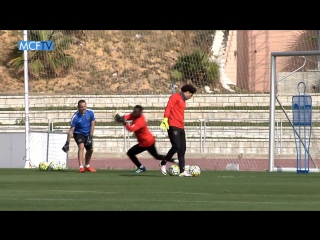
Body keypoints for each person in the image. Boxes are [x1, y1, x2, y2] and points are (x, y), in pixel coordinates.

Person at [116, 105, 178, 173]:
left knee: (131, 153)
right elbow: (128, 116)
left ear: (140, 113)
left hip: (147, 142)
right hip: (145, 142)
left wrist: (124, 122)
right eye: (134, 111)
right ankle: (174, 160)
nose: (134, 113)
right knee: (156, 156)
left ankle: (141, 167)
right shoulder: (134, 115)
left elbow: (131, 129)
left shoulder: (140, 121)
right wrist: (121, 118)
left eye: (136, 112)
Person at [159, 84, 197, 177]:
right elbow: (168, 107)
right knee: (176, 146)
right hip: (173, 125)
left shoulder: (183, 101)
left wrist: (183, 130)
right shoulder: (175, 96)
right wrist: (165, 119)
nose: (191, 97)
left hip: (181, 127)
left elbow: (180, 115)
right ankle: (163, 163)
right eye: (191, 95)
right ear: (187, 92)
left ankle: (182, 171)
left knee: (182, 149)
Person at [62, 99, 96, 173]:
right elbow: (71, 130)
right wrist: (67, 142)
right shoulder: (75, 117)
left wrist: (90, 136)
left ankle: (87, 165)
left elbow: (93, 124)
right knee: (81, 146)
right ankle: (81, 166)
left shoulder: (91, 113)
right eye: (81, 107)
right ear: (78, 107)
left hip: (87, 134)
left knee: (90, 150)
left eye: (84, 106)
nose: (83, 108)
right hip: (78, 133)